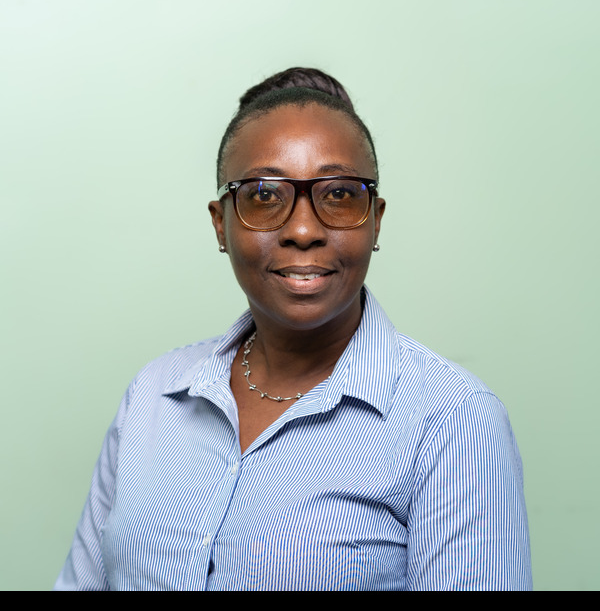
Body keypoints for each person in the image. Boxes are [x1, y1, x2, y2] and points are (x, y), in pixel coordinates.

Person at [54, 67, 532, 591]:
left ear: (375, 219)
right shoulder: (153, 396)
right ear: (221, 223)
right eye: (264, 195)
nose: (303, 230)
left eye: (340, 194)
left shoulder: (453, 421)